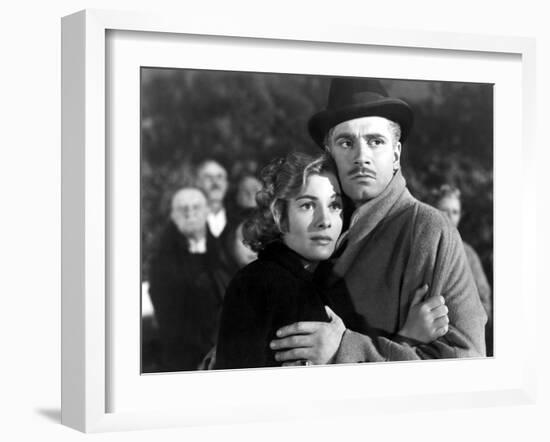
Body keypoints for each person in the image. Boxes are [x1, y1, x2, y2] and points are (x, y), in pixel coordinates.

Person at [270, 77, 487, 364]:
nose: (362, 157)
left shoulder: (428, 230)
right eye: (346, 142)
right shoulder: (310, 226)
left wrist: (343, 349)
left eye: (376, 141)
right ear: (329, 153)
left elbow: (467, 361)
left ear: (396, 155)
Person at [215, 153, 449, 369]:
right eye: (307, 205)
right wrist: (409, 339)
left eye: (334, 205)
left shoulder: (330, 280)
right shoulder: (257, 284)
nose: (325, 220)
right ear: (279, 214)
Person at [148, 186, 233, 371]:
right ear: (173, 215)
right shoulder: (161, 263)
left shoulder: (223, 251)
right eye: (182, 208)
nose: (190, 213)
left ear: (207, 211)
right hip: (186, 358)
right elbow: (170, 320)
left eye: (196, 207)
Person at [429, 184, 493, 354]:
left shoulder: (469, 254)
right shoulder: (423, 248)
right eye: (444, 210)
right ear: (433, 210)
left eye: (455, 212)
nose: (450, 216)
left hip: (463, 340)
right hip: (425, 338)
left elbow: (484, 301)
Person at [195, 159, 231, 239]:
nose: (215, 182)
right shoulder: (184, 223)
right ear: (198, 183)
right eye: (208, 177)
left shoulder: (240, 222)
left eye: (219, 177)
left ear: (226, 184)